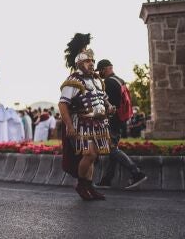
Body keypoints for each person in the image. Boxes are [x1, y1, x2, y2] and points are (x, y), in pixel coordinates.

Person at [58, 33, 115, 201]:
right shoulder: (73, 80)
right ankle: (81, 185)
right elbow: (63, 104)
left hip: (98, 123)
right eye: (87, 61)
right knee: (89, 154)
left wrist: (110, 107)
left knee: (93, 156)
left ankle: (89, 186)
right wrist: (69, 126)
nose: (91, 64)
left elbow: (103, 98)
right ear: (79, 63)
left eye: (92, 61)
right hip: (82, 123)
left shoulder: (97, 80)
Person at [96, 60, 147, 189]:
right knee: (112, 150)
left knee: (111, 149)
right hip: (121, 120)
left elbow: (111, 106)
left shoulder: (108, 82)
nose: (100, 73)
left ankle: (136, 173)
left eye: (100, 70)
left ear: (106, 68)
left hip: (113, 120)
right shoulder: (120, 80)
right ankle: (107, 180)